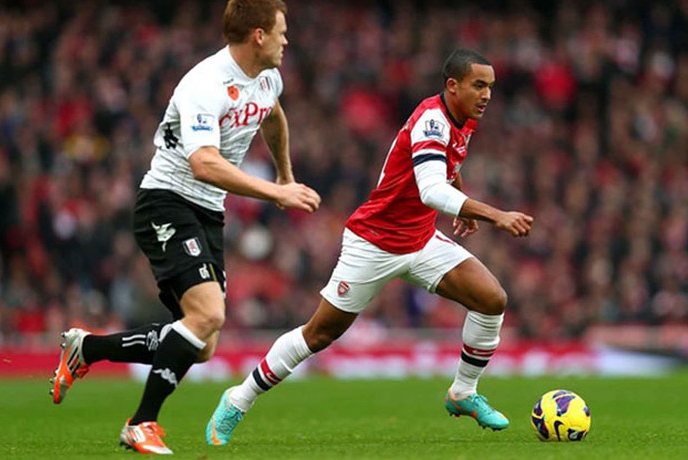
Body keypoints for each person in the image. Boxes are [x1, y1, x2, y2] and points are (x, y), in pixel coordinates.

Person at [206, 48, 534, 446]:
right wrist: (493, 214)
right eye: (479, 85)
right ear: (453, 86)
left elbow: (448, 168)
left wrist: (461, 203)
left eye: (490, 87)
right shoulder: (433, 120)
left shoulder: (462, 119)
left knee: (491, 299)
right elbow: (431, 190)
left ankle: (463, 393)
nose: (486, 95)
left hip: (421, 238)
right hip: (374, 242)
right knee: (319, 334)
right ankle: (238, 399)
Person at [49, 0, 320, 454]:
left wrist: (285, 175)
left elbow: (272, 115)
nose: (286, 40)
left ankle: (88, 350)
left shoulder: (268, 77)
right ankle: (141, 423)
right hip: (166, 202)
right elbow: (203, 164)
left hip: (207, 213)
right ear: (258, 35)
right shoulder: (205, 83)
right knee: (208, 315)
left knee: (202, 343)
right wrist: (276, 193)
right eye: (281, 32)